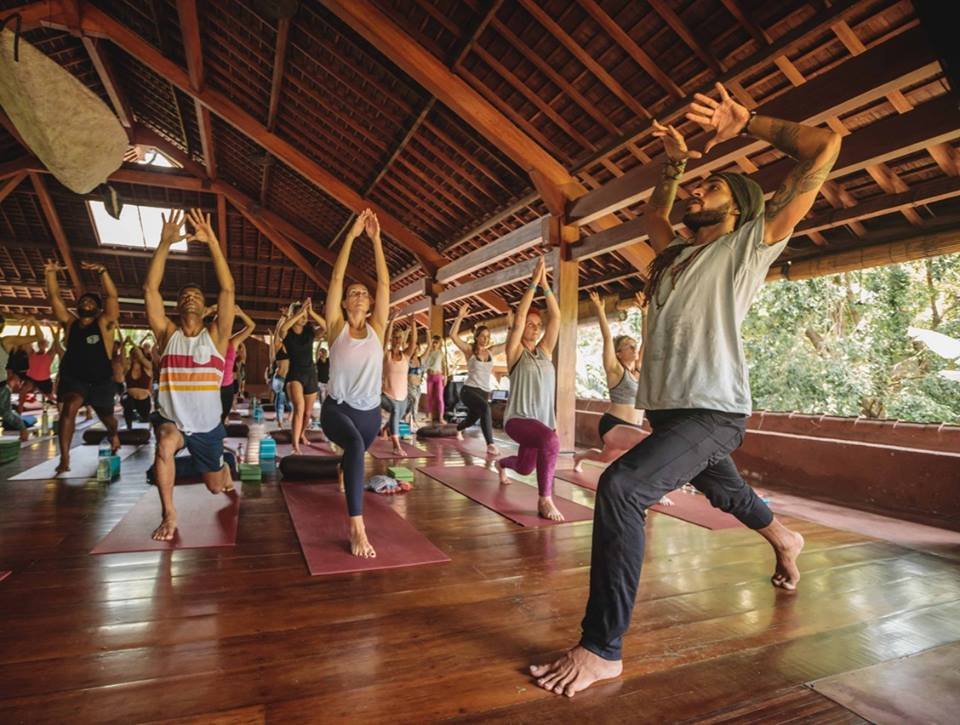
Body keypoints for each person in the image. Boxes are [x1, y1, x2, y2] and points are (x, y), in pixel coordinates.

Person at [530, 83, 835, 697]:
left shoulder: (747, 246)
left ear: (742, 209)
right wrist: (672, 167)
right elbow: (652, 215)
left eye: (711, 187)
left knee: (622, 486)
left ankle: (602, 648)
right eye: (699, 185)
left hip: (715, 411)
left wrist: (745, 121)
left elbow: (824, 149)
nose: (700, 190)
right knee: (728, 494)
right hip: (672, 416)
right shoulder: (672, 257)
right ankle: (784, 538)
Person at [143, 208, 237, 541]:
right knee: (165, 443)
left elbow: (227, 290)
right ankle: (169, 514)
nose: (190, 297)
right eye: (184, 296)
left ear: (203, 305)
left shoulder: (216, 336)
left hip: (208, 427)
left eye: (196, 295)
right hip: (172, 420)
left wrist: (212, 241)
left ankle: (224, 464)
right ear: (179, 306)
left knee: (216, 487)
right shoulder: (167, 334)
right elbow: (151, 290)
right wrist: (165, 243)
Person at [322, 208, 390, 558]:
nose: (360, 294)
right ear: (347, 302)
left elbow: (385, 284)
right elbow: (335, 279)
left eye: (364, 292)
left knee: (354, 452)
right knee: (351, 444)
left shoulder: (378, 327)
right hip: (337, 408)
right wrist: (351, 236)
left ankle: (341, 471)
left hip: (370, 415)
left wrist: (376, 240)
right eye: (354, 292)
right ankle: (356, 527)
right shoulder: (337, 327)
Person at [571, 292, 674, 512]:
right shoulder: (615, 371)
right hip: (613, 424)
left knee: (604, 457)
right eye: (629, 345)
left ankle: (580, 457)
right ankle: (652, 489)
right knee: (650, 442)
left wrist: (645, 314)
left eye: (634, 345)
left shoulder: (637, 371)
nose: (634, 348)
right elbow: (608, 339)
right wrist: (600, 310)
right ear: (619, 353)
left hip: (631, 427)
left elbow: (648, 341)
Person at [497, 257, 564, 521]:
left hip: (542, 423)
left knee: (525, 469)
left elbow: (557, 317)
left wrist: (547, 286)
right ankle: (544, 500)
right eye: (530, 325)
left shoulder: (545, 352)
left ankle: (501, 464)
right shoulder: (515, 353)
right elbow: (519, 317)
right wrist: (534, 283)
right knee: (551, 441)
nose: (534, 328)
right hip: (519, 420)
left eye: (538, 325)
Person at [45, 259, 122, 474]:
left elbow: (113, 297)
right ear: (78, 306)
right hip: (75, 378)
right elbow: (54, 298)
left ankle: (114, 433)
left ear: (97, 308)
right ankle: (65, 458)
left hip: (101, 381)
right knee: (69, 408)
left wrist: (103, 271)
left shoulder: (104, 323)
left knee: (108, 419)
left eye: (91, 302)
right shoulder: (70, 324)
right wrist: (51, 274)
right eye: (84, 300)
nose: (87, 303)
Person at [450, 304, 503, 455]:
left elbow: (509, 343)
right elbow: (453, 335)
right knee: (486, 408)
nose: (485, 339)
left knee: (472, 419)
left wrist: (513, 326)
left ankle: (458, 428)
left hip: (484, 392)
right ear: (476, 337)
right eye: (482, 336)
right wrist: (459, 317)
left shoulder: (491, 352)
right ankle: (490, 444)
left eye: (488, 337)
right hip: (469, 391)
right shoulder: (469, 350)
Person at [277, 299, 327, 454]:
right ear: (295, 315)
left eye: (305, 315)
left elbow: (325, 327)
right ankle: (295, 445)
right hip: (294, 374)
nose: (304, 318)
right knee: (299, 408)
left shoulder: (310, 332)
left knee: (307, 413)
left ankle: (302, 433)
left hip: (311, 373)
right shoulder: (288, 333)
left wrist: (311, 312)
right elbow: (282, 330)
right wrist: (296, 313)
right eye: (301, 315)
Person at [0, 313, 43, 441]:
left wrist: (34, 321)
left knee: (7, 414)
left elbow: (38, 337)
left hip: (1, 386)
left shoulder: (6, 341)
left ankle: (23, 430)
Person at [381, 312, 417, 455]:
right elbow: (384, 341)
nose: (397, 340)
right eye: (395, 337)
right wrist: (391, 321)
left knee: (401, 412)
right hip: (386, 395)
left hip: (403, 396)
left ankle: (385, 429)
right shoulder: (386, 354)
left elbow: (413, 342)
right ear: (392, 339)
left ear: (403, 340)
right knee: (396, 411)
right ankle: (396, 446)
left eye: (400, 338)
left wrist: (413, 324)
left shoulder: (406, 356)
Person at [217, 305, 256, 424]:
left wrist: (240, 313)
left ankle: (221, 439)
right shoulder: (210, 339)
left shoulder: (233, 342)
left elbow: (251, 326)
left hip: (227, 386)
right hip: (211, 385)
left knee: (223, 417)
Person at [121, 337, 153, 430]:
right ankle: (129, 427)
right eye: (133, 354)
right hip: (130, 398)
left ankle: (152, 429)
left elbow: (141, 356)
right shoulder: (127, 367)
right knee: (126, 401)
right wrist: (124, 345)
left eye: (136, 354)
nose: (135, 356)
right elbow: (122, 357)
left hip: (144, 399)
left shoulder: (147, 366)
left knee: (146, 416)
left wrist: (132, 343)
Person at [25, 325, 61, 404]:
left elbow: (56, 342)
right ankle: (19, 411)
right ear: (38, 344)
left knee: (51, 397)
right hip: (31, 378)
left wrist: (56, 329)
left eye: (44, 343)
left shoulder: (49, 355)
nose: (42, 344)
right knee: (23, 391)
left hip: (44, 380)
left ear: (46, 345)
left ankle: (62, 409)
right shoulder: (32, 353)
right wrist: (29, 328)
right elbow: (27, 342)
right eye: (40, 343)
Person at [423, 334, 448, 423]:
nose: (434, 344)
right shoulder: (428, 353)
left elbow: (444, 366)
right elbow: (424, 364)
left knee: (439, 398)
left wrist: (445, 378)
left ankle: (441, 418)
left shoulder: (441, 353)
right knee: (429, 397)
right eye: (433, 342)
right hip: (430, 376)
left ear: (439, 343)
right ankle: (429, 416)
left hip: (438, 377)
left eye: (436, 343)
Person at [404, 336, 424, 428]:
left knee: (414, 404)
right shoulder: (407, 359)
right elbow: (404, 344)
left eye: (417, 347)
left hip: (418, 386)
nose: (415, 349)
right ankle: (413, 420)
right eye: (413, 347)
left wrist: (428, 333)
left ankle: (408, 419)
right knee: (414, 401)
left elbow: (428, 349)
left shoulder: (420, 359)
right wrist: (407, 333)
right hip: (409, 385)